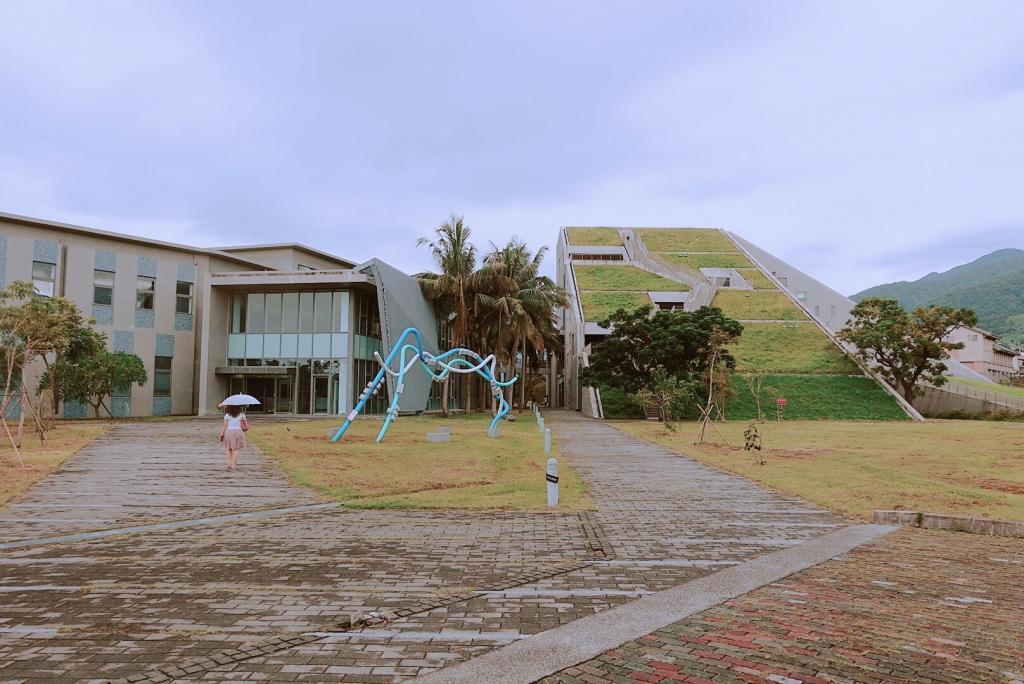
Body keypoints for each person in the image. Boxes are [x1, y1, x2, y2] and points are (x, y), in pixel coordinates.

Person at [219, 405, 248, 469]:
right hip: (238, 432)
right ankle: (233, 464)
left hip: (229, 432)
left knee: (228, 449)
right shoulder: (242, 414)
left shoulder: (227, 415)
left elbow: (224, 425)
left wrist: (221, 434)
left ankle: (230, 463)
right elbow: (246, 425)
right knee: (236, 449)